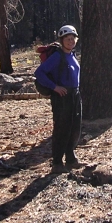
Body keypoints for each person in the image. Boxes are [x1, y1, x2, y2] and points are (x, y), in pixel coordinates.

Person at [35, 25, 82, 173]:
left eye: (73, 39)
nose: (71, 41)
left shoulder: (72, 55)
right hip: (62, 97)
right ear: (62, 40)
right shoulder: (57, 56)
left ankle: (71, 158)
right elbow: (39, 73)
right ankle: (57, 162)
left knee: (75, 126)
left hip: (74, 95)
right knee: (62, 128)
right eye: (67, 39)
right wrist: (54, 87)